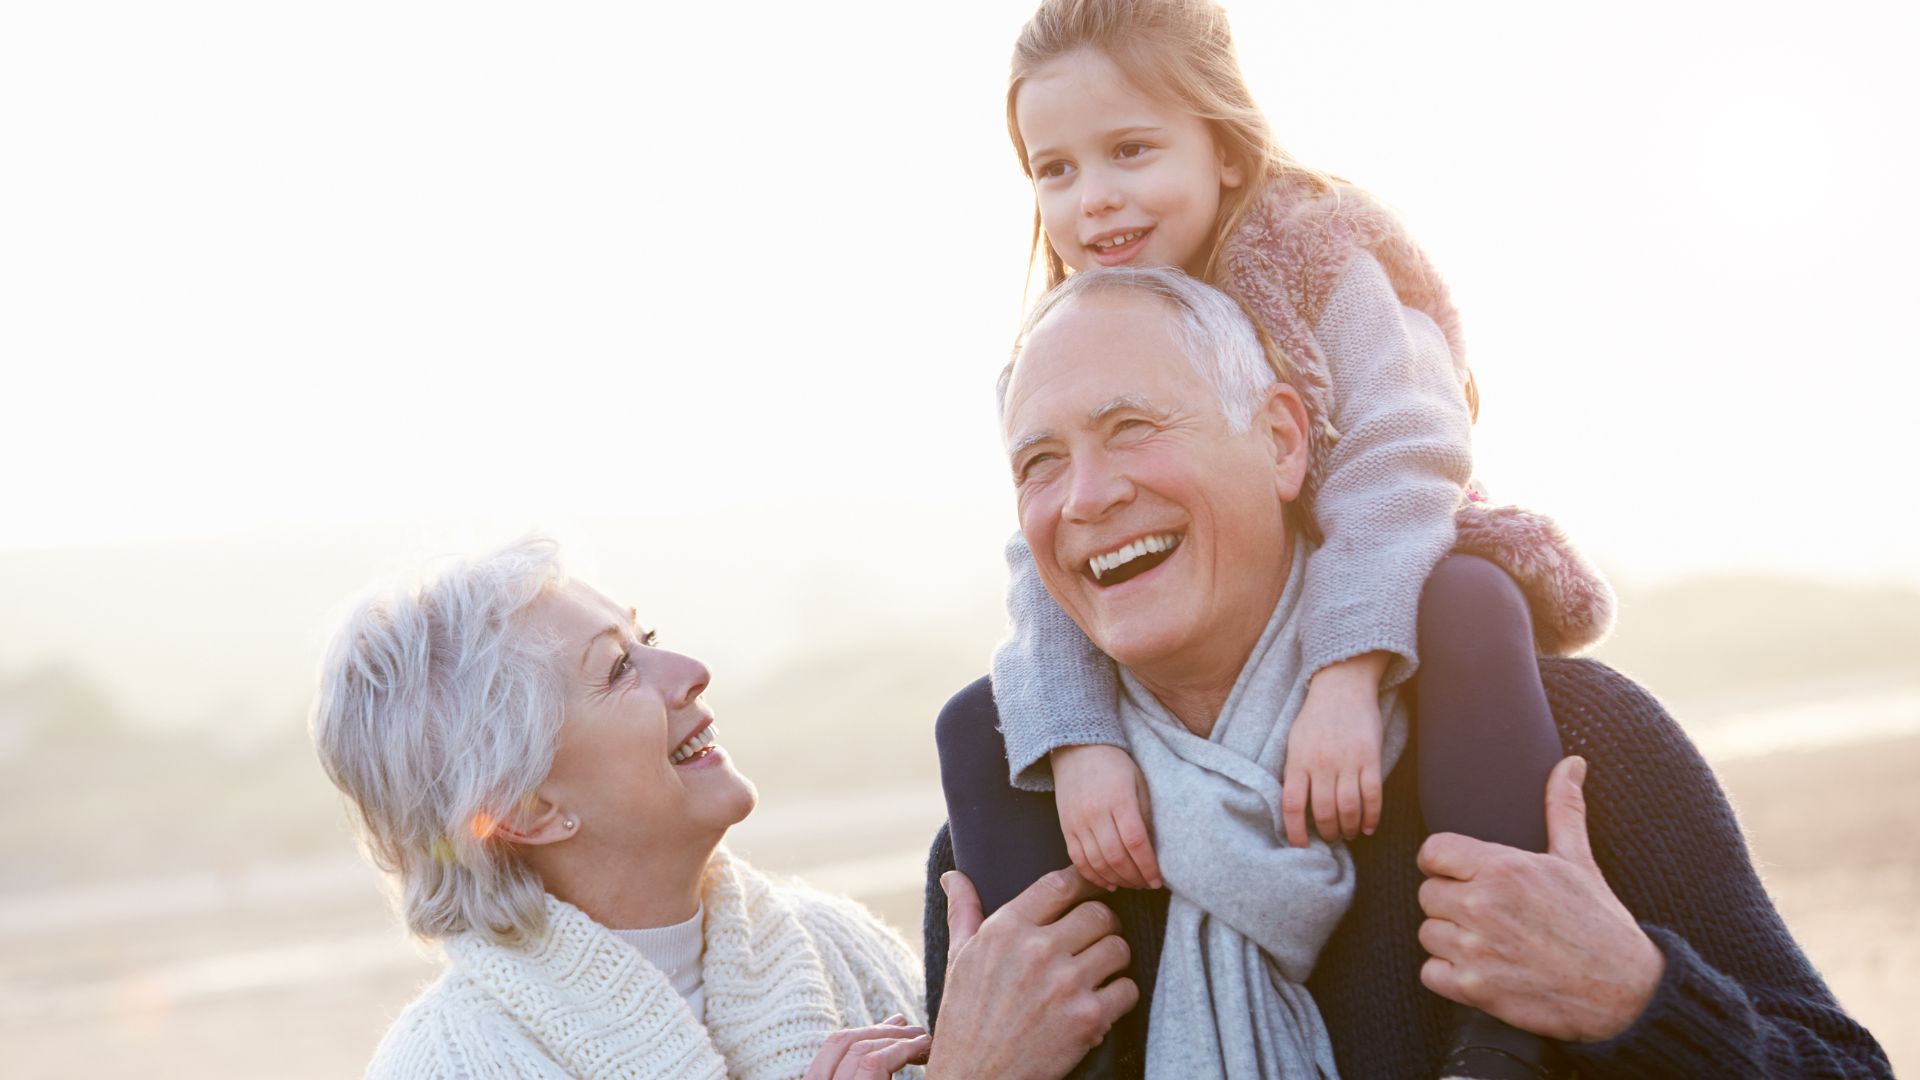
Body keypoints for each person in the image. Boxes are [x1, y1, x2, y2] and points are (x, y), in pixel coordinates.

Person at [923, 268, 1891, 1077]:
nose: (1088, 497)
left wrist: (1635, 997)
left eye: (1133, 426)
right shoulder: (1005, 859)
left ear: (1282, 440)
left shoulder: (1569, 744)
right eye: (1040, 463)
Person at [957, 1, 1610, 1072]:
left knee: (1470, 601)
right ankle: (1069, 1047)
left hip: (1387, 562)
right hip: (1211, 636)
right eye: (1055, 170)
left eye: (1130, 150)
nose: (1094, 197)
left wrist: (1345, 674)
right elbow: (1048, 563)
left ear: (1223, 146)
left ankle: (1508, 1008)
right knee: (974, 725)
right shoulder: (1067, 341)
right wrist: (1079, 743)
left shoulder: (1318, 253)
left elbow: (1404, 449)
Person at [311, 537, 1137, 1079]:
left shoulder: (836, 946)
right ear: (525, 807)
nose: (689, 671)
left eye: (647, 638)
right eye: (617, 670)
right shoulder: (445, 1063)